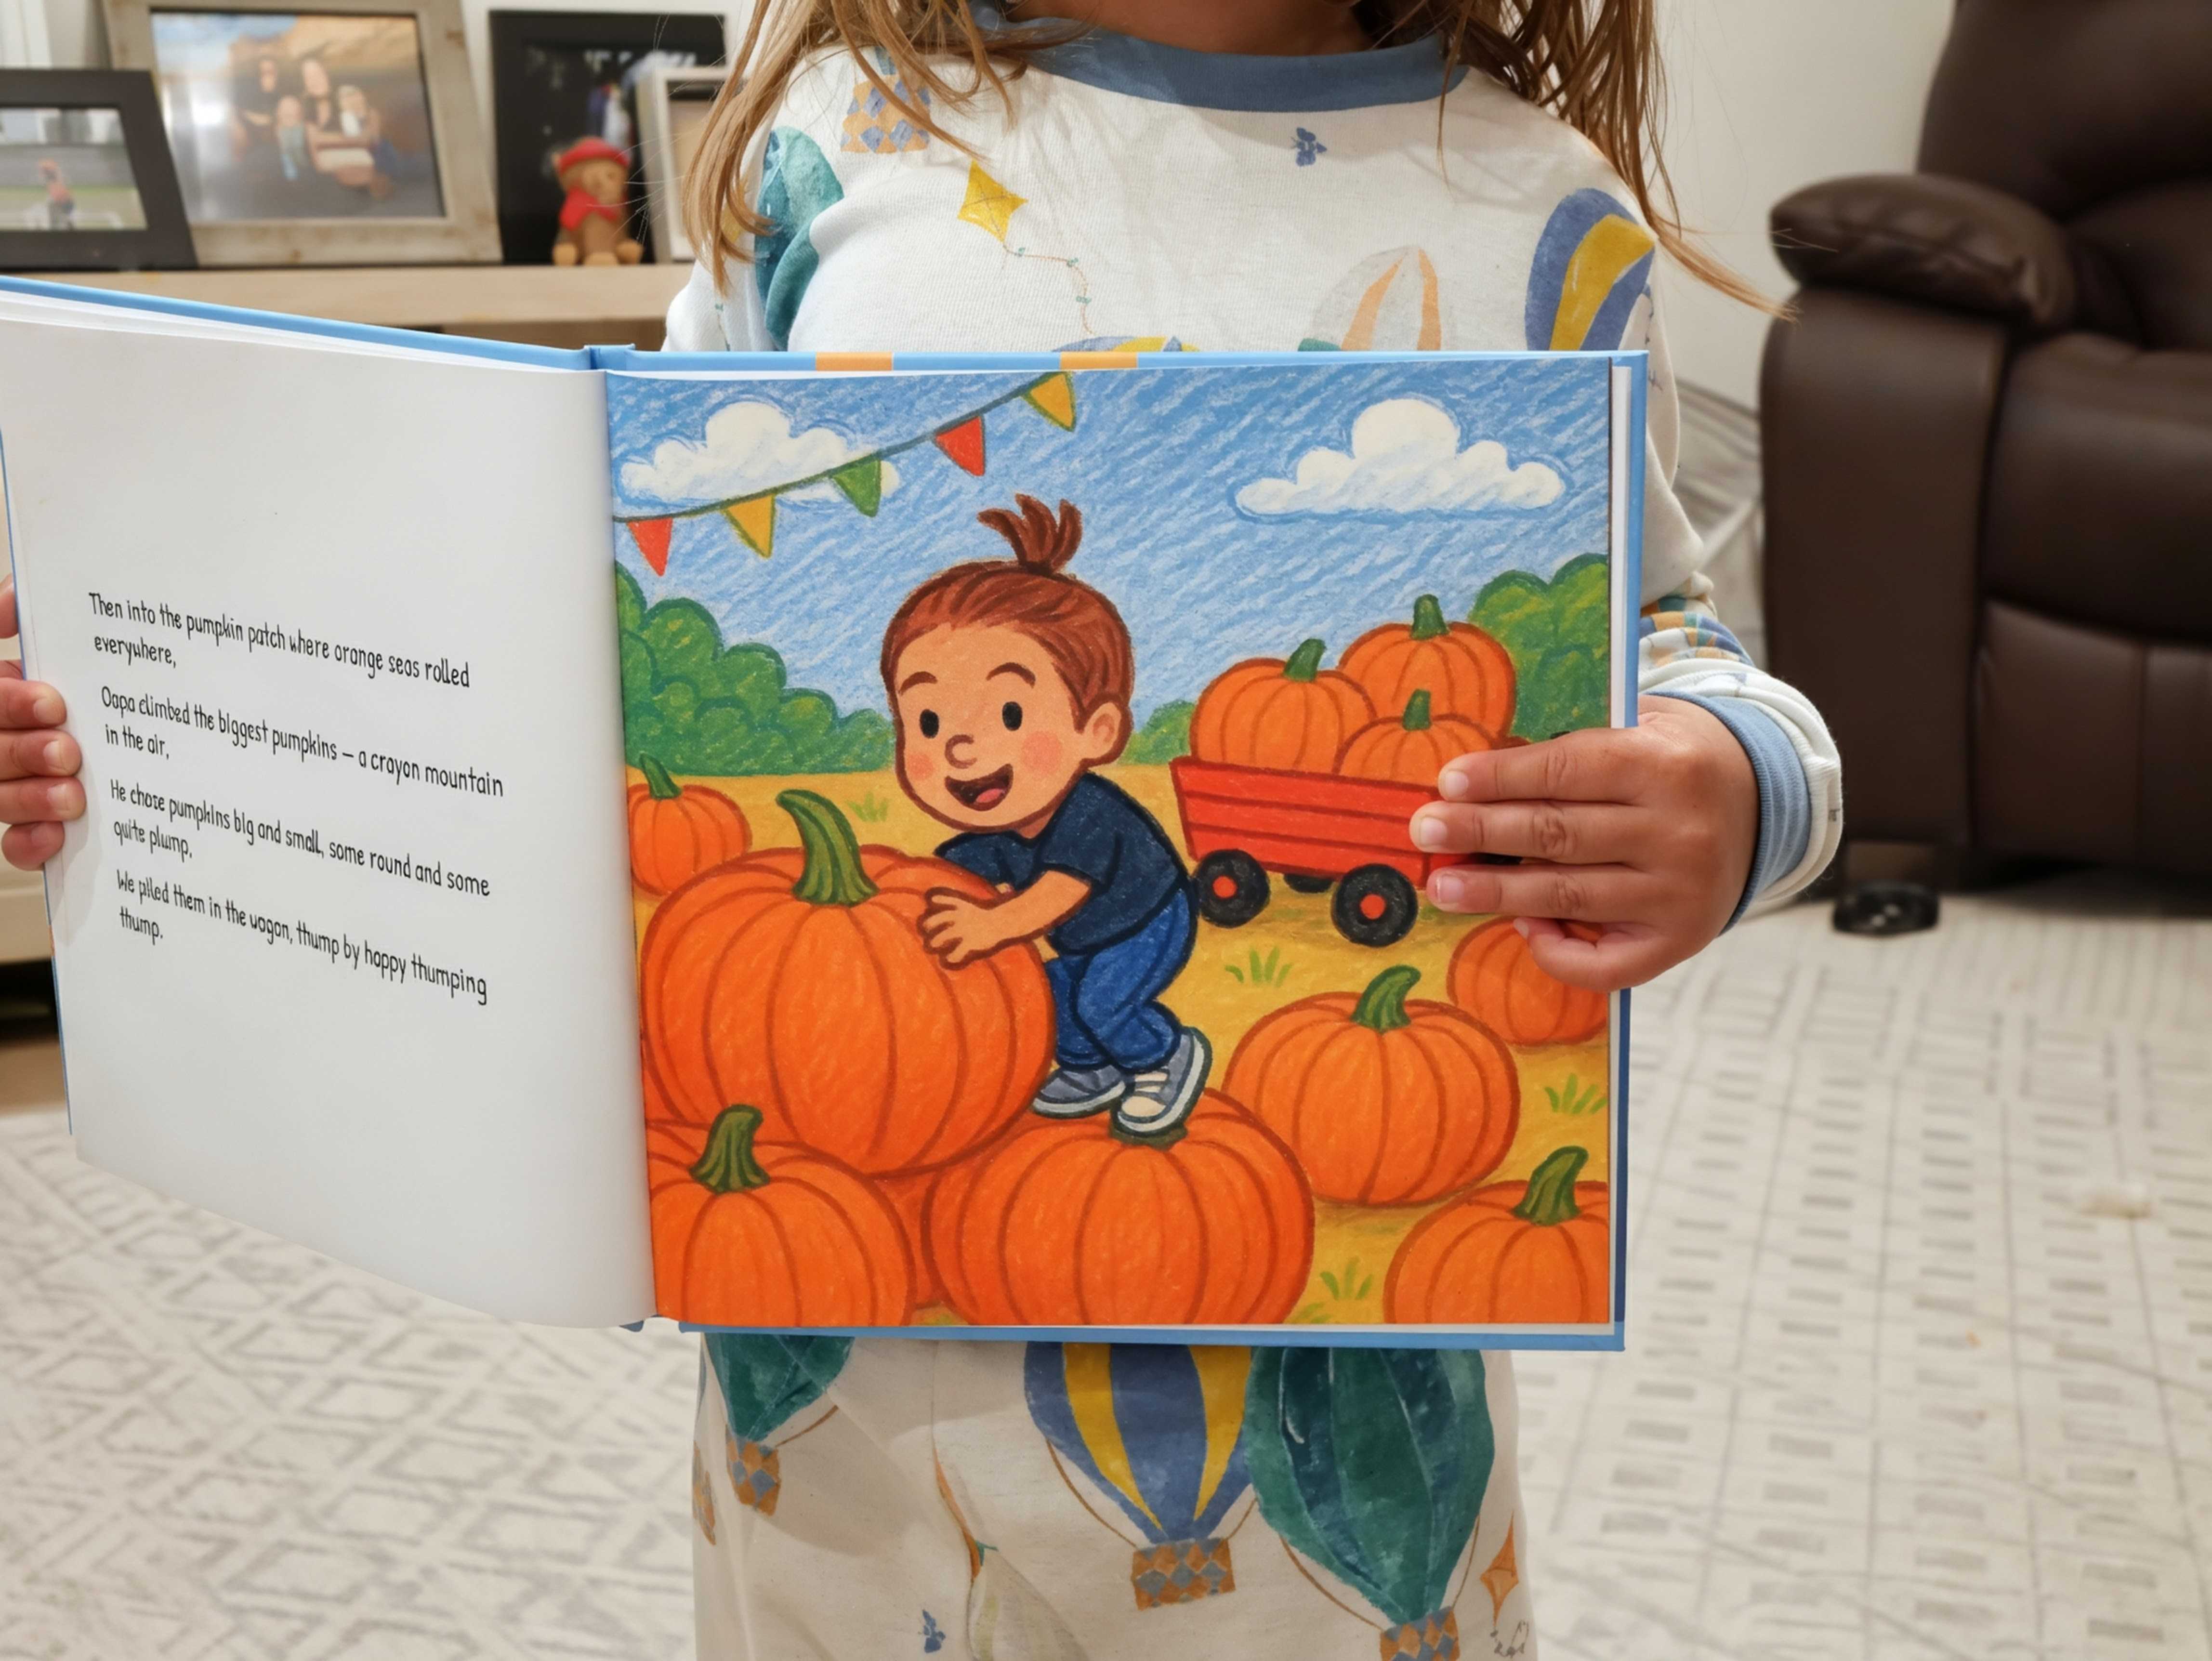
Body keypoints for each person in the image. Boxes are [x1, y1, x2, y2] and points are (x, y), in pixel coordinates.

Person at [0, 3, 1846, 1655]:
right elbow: (581, 623)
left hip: (1320, 1410)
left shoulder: (1527, 198)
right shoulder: (835, 138)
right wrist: (140, 742)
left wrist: (1730, 778)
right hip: (845, 1409)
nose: (960, 747)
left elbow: (1668, 633)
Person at [886, 493, 1209, 1135]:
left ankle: (1165, 1057)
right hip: (1092, 933)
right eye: (928, 720)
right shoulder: (997, 829)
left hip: (1147, 920)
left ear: (1097, 730)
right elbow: (945, 878)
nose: (958, 746)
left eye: (1008, 714)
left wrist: (995, 926)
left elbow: (1058, 894)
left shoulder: (1090, 815)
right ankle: (1093, 1066)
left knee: (1104, 1000)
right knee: (1053, 995)